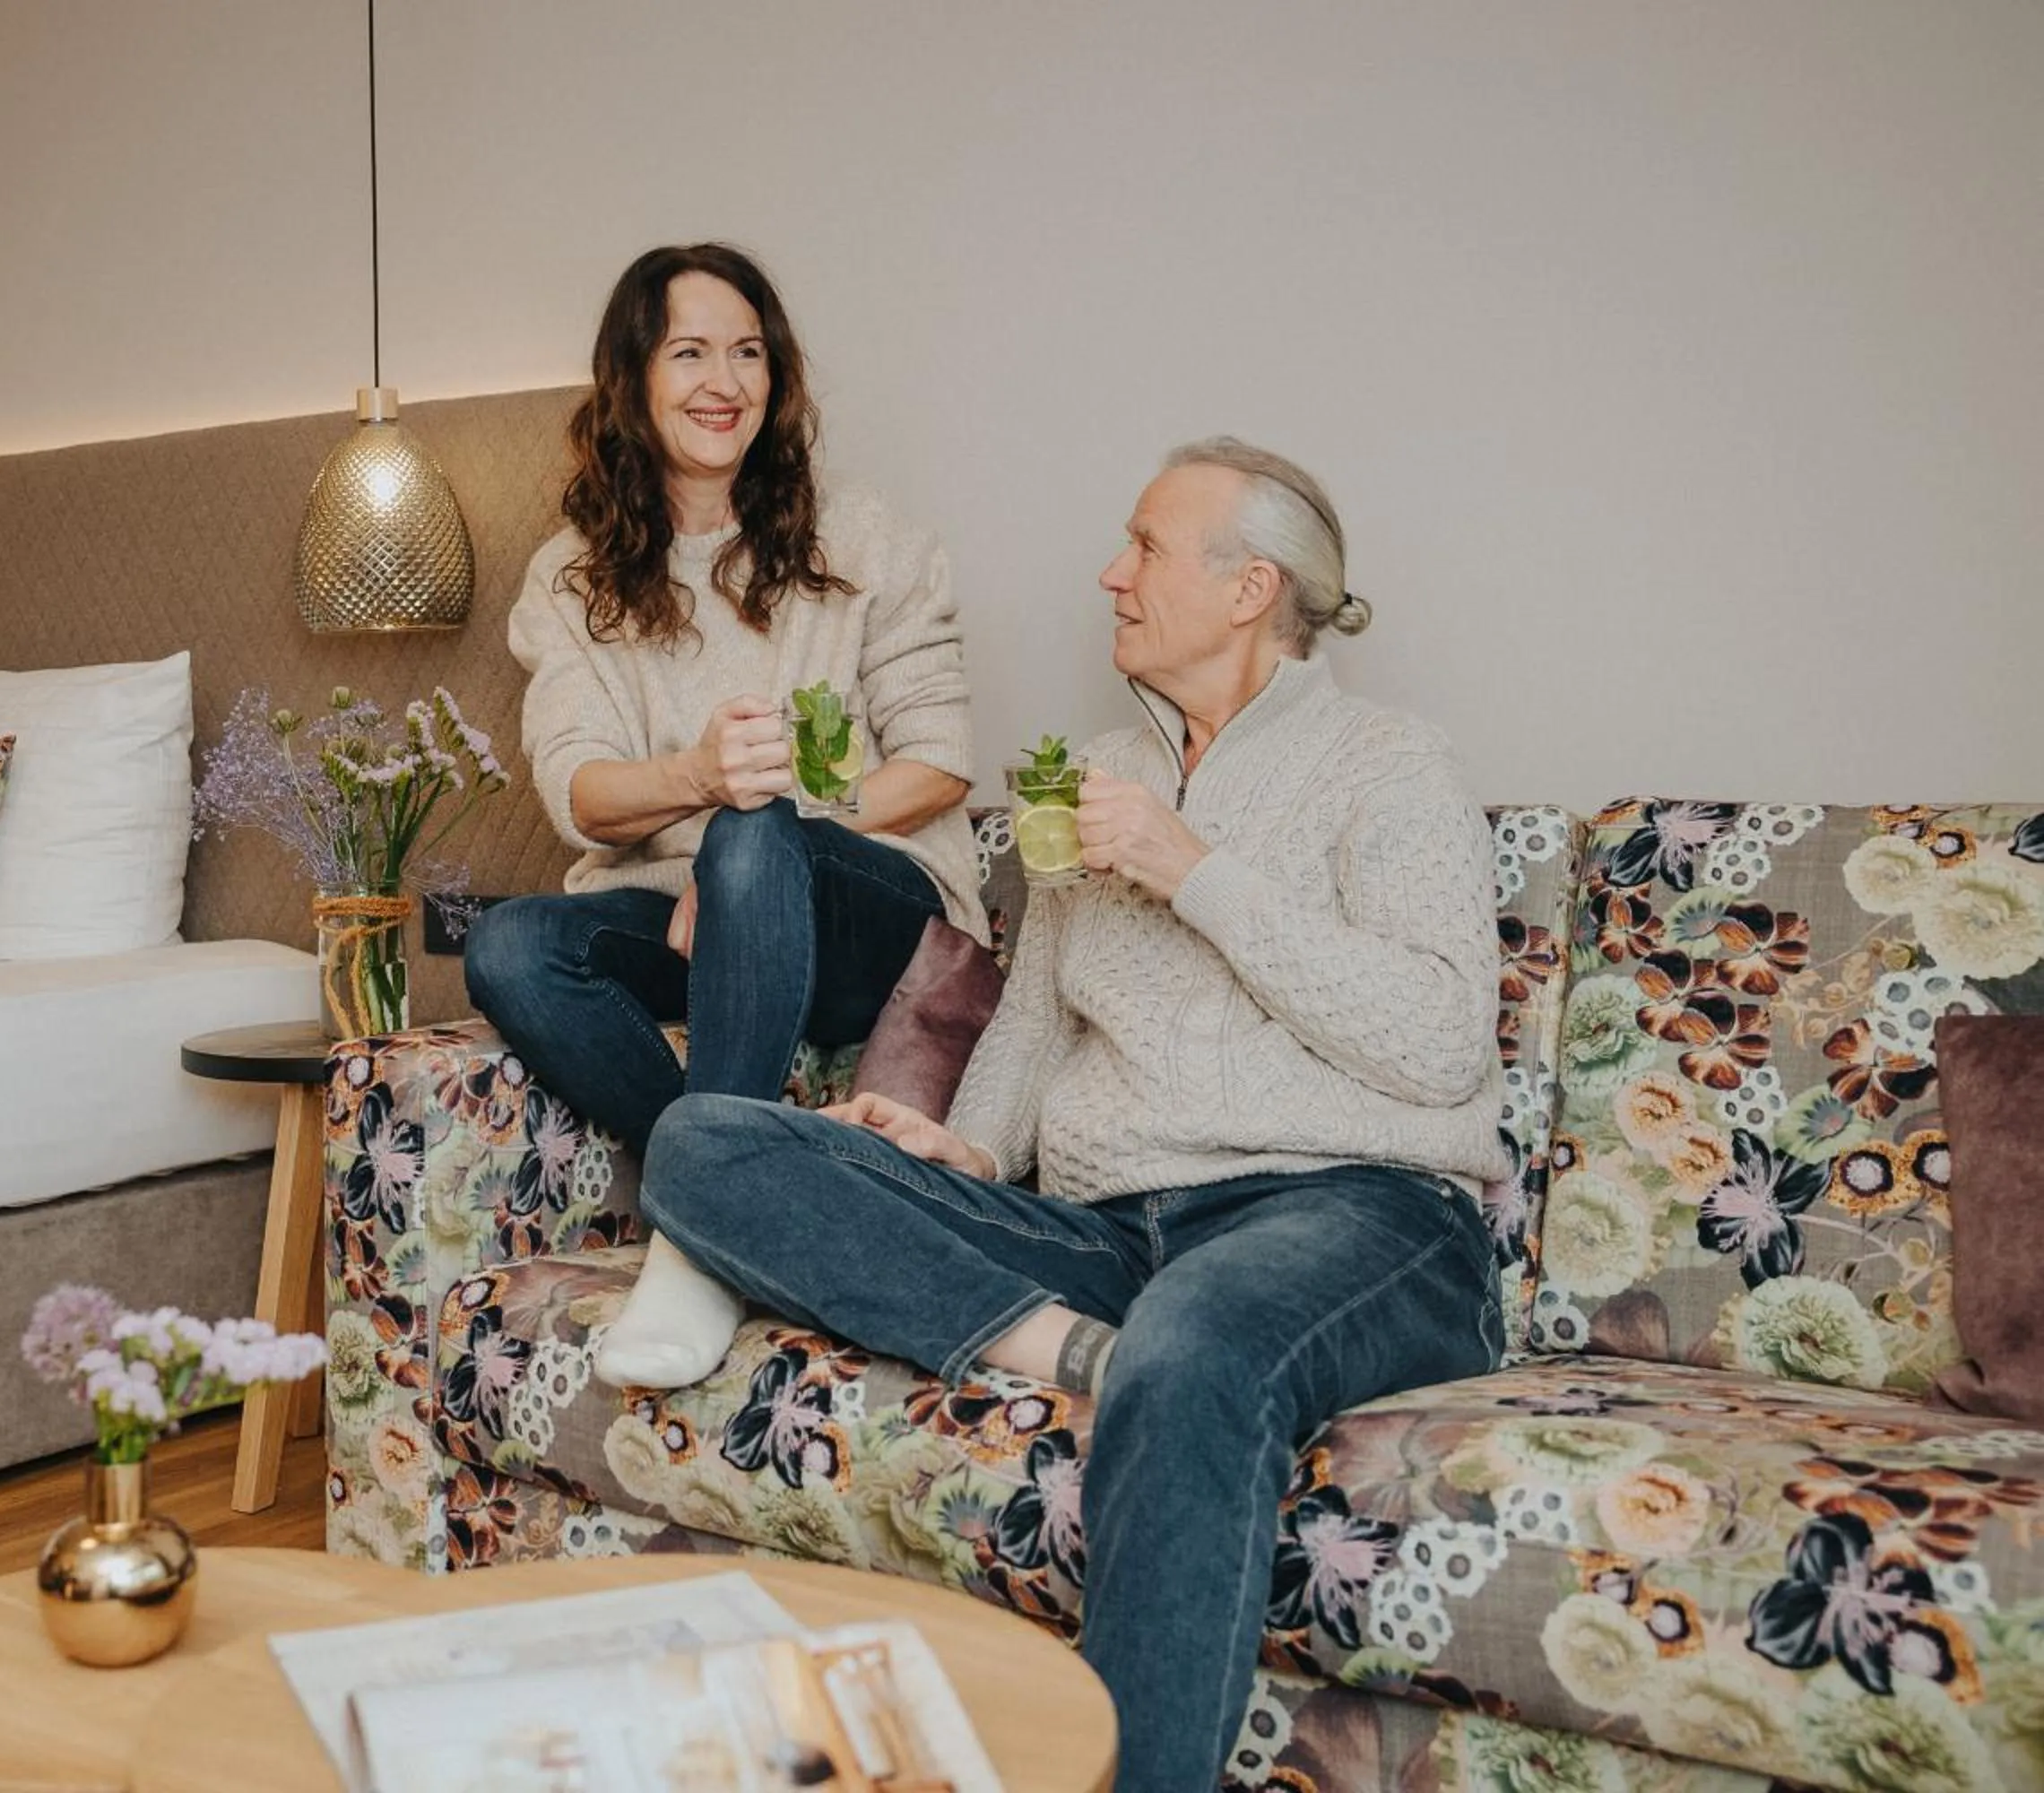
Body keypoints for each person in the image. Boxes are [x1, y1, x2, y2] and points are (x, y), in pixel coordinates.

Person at [628, 439, 1509, 1791]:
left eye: (1147, 547)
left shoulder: (1390, 765)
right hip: (1105, 1233)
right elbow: (1037, 1021)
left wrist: (1193, 866)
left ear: (1248, 588)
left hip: (1353, 1212)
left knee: (1200, 1343)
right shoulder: (1095, 770)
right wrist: (968, 1149)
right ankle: (1065, 1344)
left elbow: (1440, 1047)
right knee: (704, 1143)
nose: (1111, 573)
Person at [464, 243, 986, 1390]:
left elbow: (941, 763)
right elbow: (582, 792)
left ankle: (693, 1246)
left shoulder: (867, 540)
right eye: (689, 351)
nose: (724, 380)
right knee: (508, 945)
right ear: (632, 382)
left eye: (747, 352)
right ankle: (745, 1196)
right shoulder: (571, 577)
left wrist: (773, 835)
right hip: (691, 921)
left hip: (875, 920)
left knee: (756, 836)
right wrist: (703, 779)